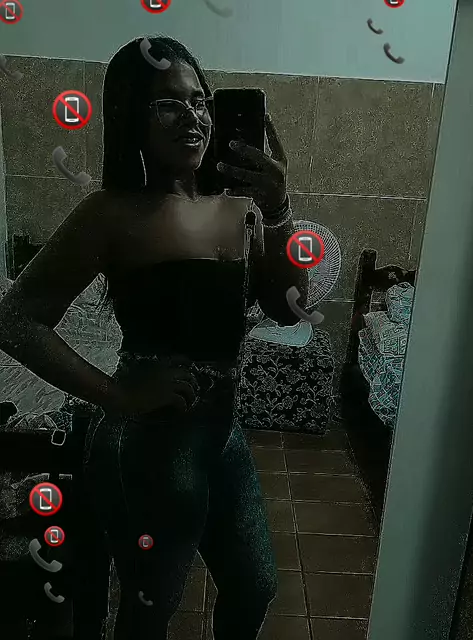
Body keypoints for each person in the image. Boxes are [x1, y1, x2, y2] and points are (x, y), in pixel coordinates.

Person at [0, 36, 307, 640]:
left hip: (222, 430)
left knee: (254, 585)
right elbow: (15, 320)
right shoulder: (111, 212)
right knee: (151, 606)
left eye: (199, 101)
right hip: (147, 445)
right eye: (168, 104)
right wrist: (118, 396)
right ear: (130, 118)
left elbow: (289, 306)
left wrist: (278, 207)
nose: (192, 116)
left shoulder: (238, 206)